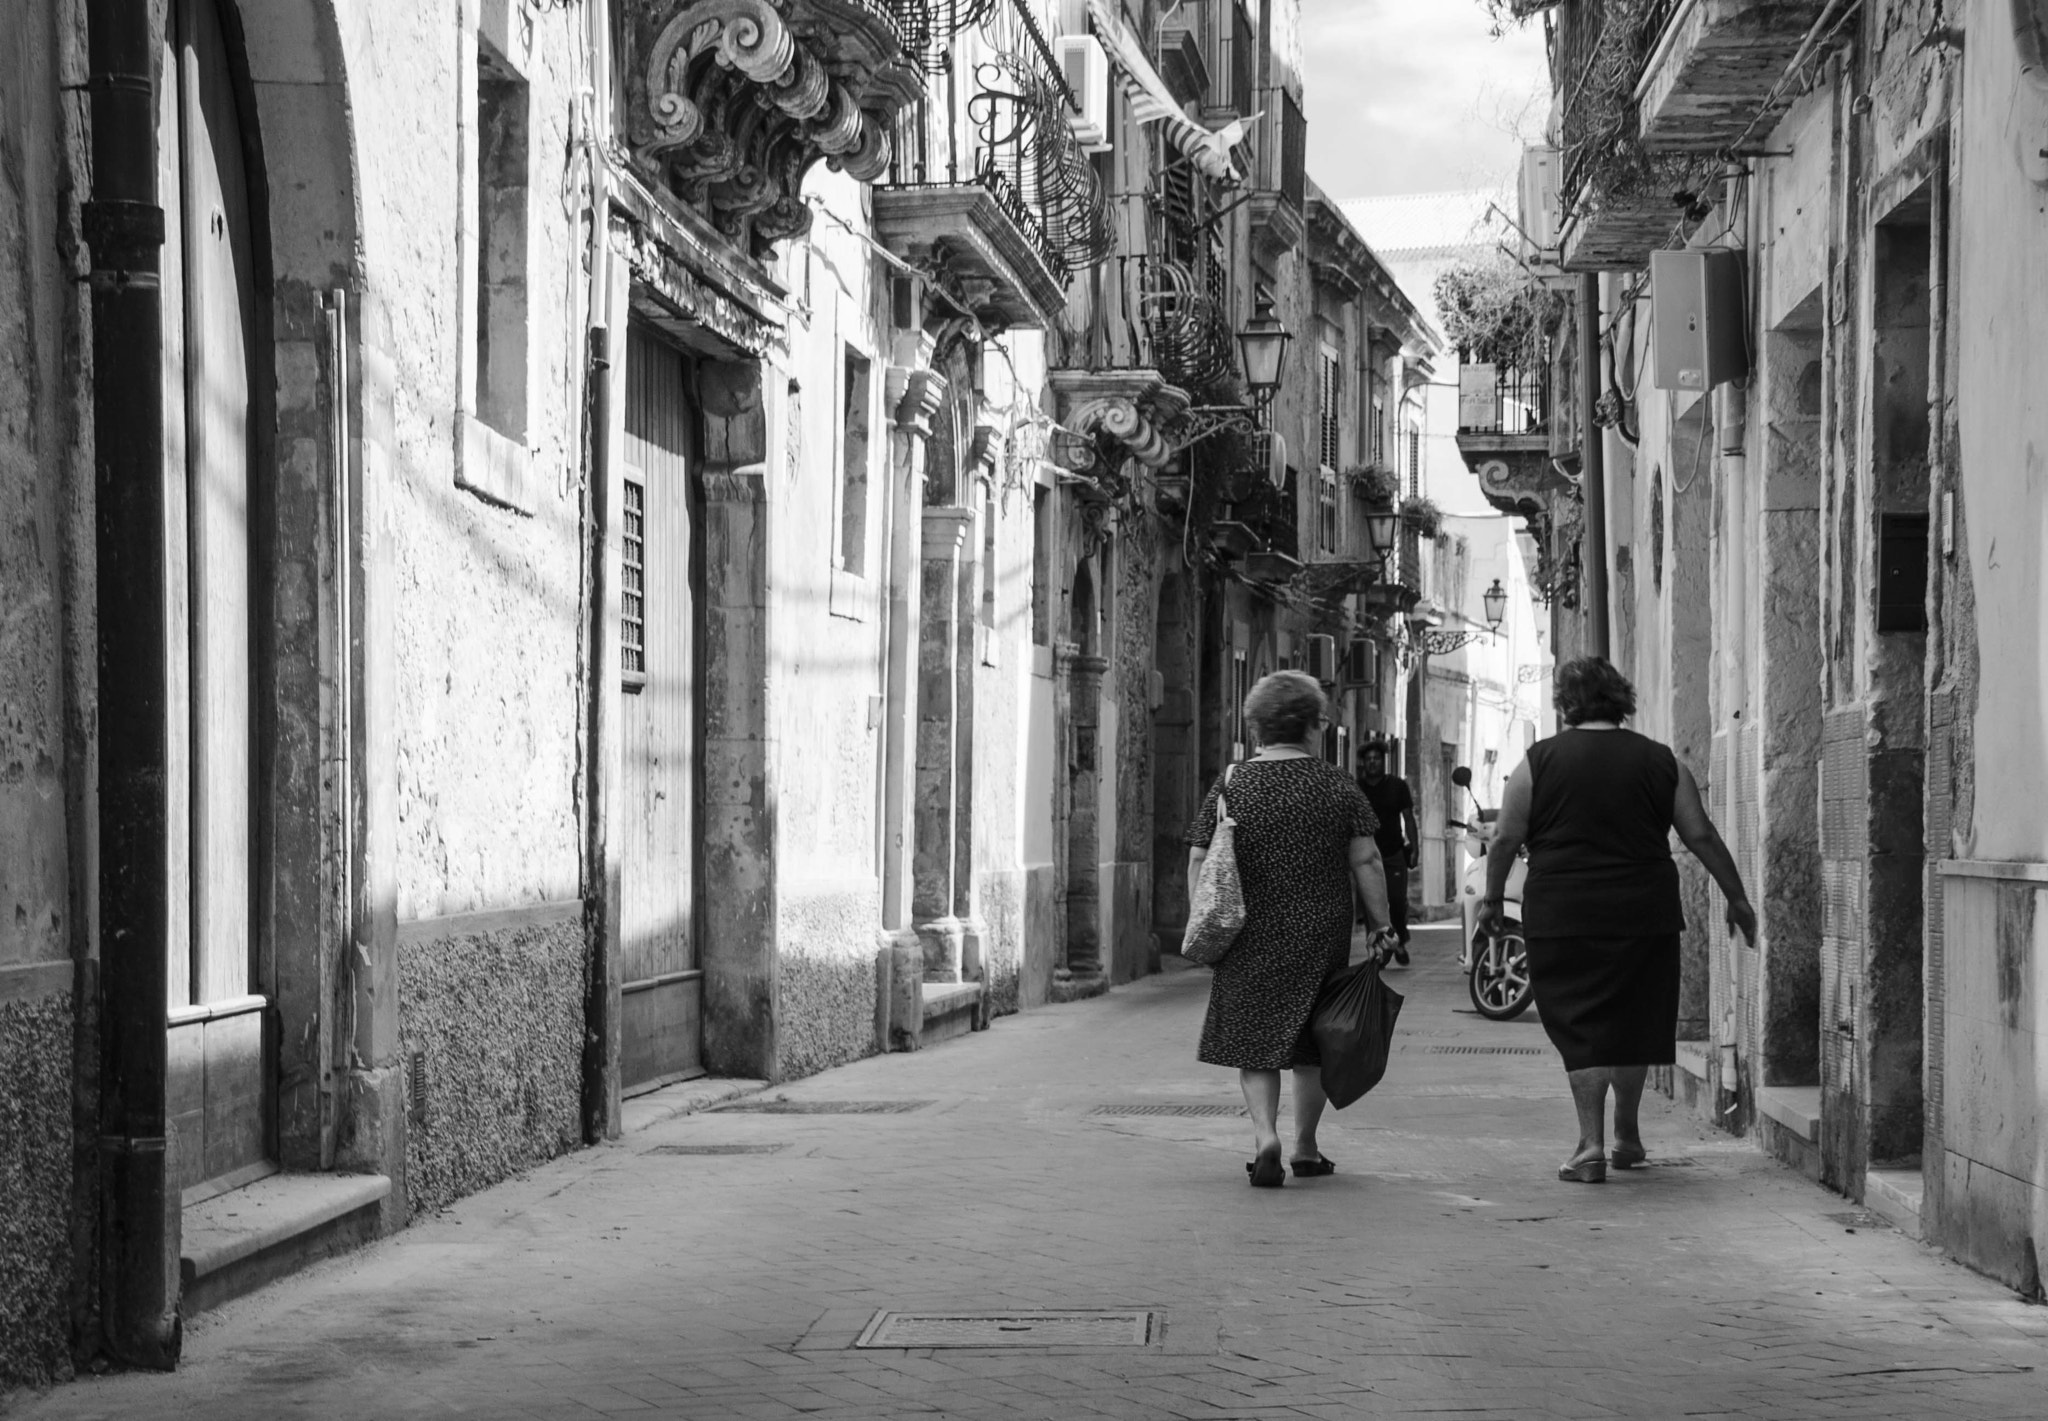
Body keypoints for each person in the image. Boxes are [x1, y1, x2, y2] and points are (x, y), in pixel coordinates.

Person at [1479, 656, 1756, 1184]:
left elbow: (1506, 838)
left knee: (1580, 1025)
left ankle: (1591, 1145)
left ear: (1567, 704)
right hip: (1643, 910)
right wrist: (1737, 897)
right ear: (1621, 700)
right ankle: (1627, 1135)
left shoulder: (1538, 762)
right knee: (1635, 1020)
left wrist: (1493, 901)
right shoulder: (1661, 761)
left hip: (1563, 913)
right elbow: (1700, 835)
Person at [1186, 670, 1396, 1189]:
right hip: (1318, 932)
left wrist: (1204, 916)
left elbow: (1198, 856)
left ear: (1257, 727)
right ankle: (1305, 1146)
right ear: (1313, 727)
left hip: (1247, 931)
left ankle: (1265, 1138)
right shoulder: (1336, 785)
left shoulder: (1233, 782)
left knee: (1257, 1040)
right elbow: (1367, 859)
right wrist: (1382, 926)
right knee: (1312, 1040)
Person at [1355, 739, 1418, 964]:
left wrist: (1414, 848)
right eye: (1369, 759)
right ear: (1363, 763)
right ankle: (1378, 950)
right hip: (1365, 855)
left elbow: (1408, 818)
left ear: (1384, 761)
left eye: (1377, 758)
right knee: (1370, 904)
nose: (1373, 763)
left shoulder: (1397, 786)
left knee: (1397, 901)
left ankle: (1398, 940)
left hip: (1393, 853)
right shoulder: (1357, 788)